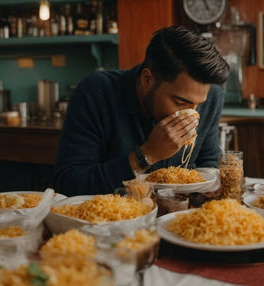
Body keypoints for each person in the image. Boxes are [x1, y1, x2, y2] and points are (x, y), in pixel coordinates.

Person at [54, 26, 230, 196]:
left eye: (198, 105)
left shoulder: (211, 96)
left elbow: (208, 160)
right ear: (147, 80)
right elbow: (69, 183)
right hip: (115, 221)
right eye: (180, 102)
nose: (192, 115)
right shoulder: (95, 93)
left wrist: (213, 184)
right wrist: (146, 155)